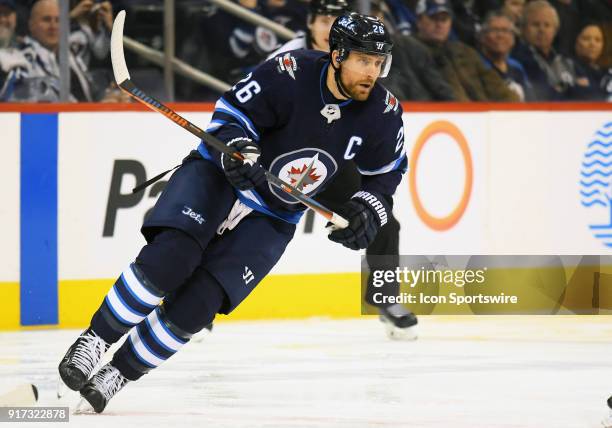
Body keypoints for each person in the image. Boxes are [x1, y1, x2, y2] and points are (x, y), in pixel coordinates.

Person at [58, 13, 408, 413]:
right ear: (339, 54)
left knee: (200, 303)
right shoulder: (288, 73)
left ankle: (118, 373)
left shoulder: (383, 112)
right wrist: (240, 146)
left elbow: (386, 174)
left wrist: (370, 208)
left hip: (276, 214)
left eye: (379, 64)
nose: (373, 73)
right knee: (171, 258)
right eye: (364, 61)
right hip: (220, 176)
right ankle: (96, 339)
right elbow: (230, 114)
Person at [267, 0, 419, 340]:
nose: (329, 27)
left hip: (333, 161)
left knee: (382, 218)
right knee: (229, 216)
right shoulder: (288, 58)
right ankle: (199, 303)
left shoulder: (363, 68)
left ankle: (385, 298)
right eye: (323, 19)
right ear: (309, 24)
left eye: (336, 20)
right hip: (280, 156)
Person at [415, 0, 519, 101]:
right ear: (419, 21)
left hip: (481, 114)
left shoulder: (465, 52)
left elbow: (497, 88)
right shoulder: (411, 51)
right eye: (434, 18)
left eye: (444, 19)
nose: (439, 24)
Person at [1, 0, 97, 101]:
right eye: (46, 20)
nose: (53, 26)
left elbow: (90, 94)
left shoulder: (72, 57)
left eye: (58, 20)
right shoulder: (20, 60)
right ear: (31, 25)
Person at [512, 0, 587, 100]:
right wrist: (574, 86)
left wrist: (561, 88)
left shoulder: (566, 59)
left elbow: (589, 90)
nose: (541, 30)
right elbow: (545, 95)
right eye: (535, 24)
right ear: (523, 28)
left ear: (555, 30)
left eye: (547, 25)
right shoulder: (520, 59)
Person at [478, 10, 534, 101]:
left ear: (513, 39)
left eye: (505, 30)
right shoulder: (477, 67)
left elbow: (532, 100)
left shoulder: (517, 67)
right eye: (494, 30)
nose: (500, 35)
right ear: (483, 37)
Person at [572, 23, 612, 101]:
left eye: (598, 40)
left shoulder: (607, 73)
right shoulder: (568, 66)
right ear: (576, 43)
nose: (592, 44)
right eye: (586, 38)